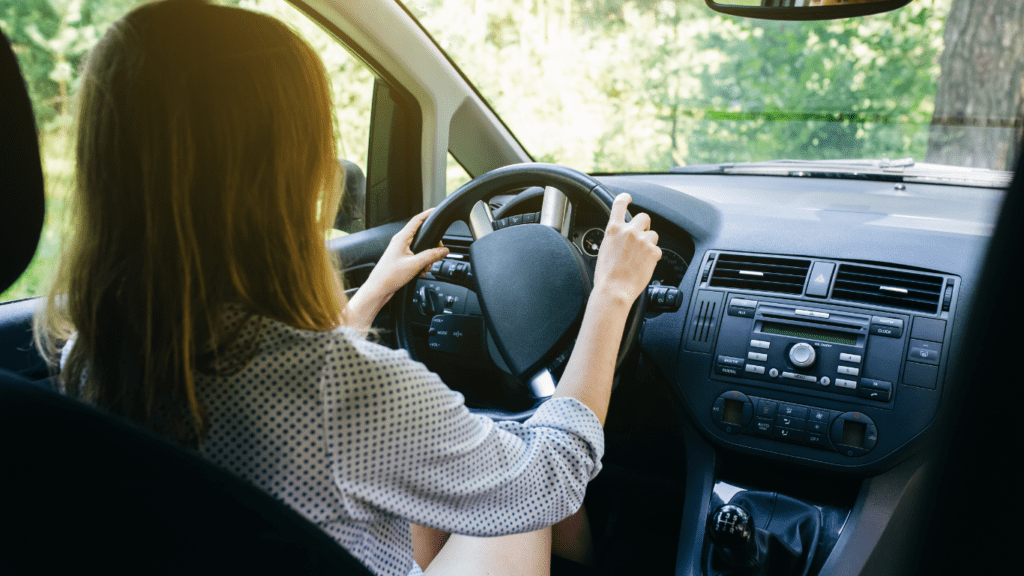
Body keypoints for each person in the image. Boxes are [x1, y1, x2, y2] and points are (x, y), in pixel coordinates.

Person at [32, 1, 662, 575]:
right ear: (288, 177)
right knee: (530, 503)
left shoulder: (90, 355)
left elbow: (287, 391)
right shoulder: (352, 394)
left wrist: (363, 304)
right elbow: (550, 479)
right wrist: (611, 294)